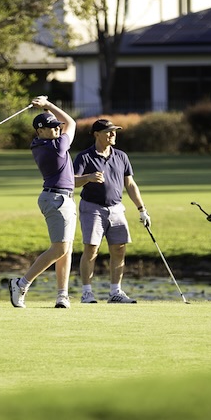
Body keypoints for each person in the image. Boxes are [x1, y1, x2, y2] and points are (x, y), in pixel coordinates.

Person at [9, 96, 78, 309]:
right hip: (56, 199)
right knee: (59, 249)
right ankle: (21, 284)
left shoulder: (39, 144)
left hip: (63, 198)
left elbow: (65, 124)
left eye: (57, 128)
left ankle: (62, 295)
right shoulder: (56, 147)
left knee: (66, 249)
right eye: (51, 128)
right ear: (40, 131)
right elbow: (72, 123)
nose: (57, 130)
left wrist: (46, 109)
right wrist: (48, 105)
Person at [73, 118, 150, 304]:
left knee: (119, 249)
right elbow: (72, 181)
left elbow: (130, 184)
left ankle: (115, 292)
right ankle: (87, 293)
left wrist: (142, 209)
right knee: (91, 249)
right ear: (96, 134)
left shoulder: (121, 156)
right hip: (92, 208)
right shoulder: (84, 156)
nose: (113, 134)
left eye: (114, 131)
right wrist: (88, 177)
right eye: (108, 131)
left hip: (116, 208)